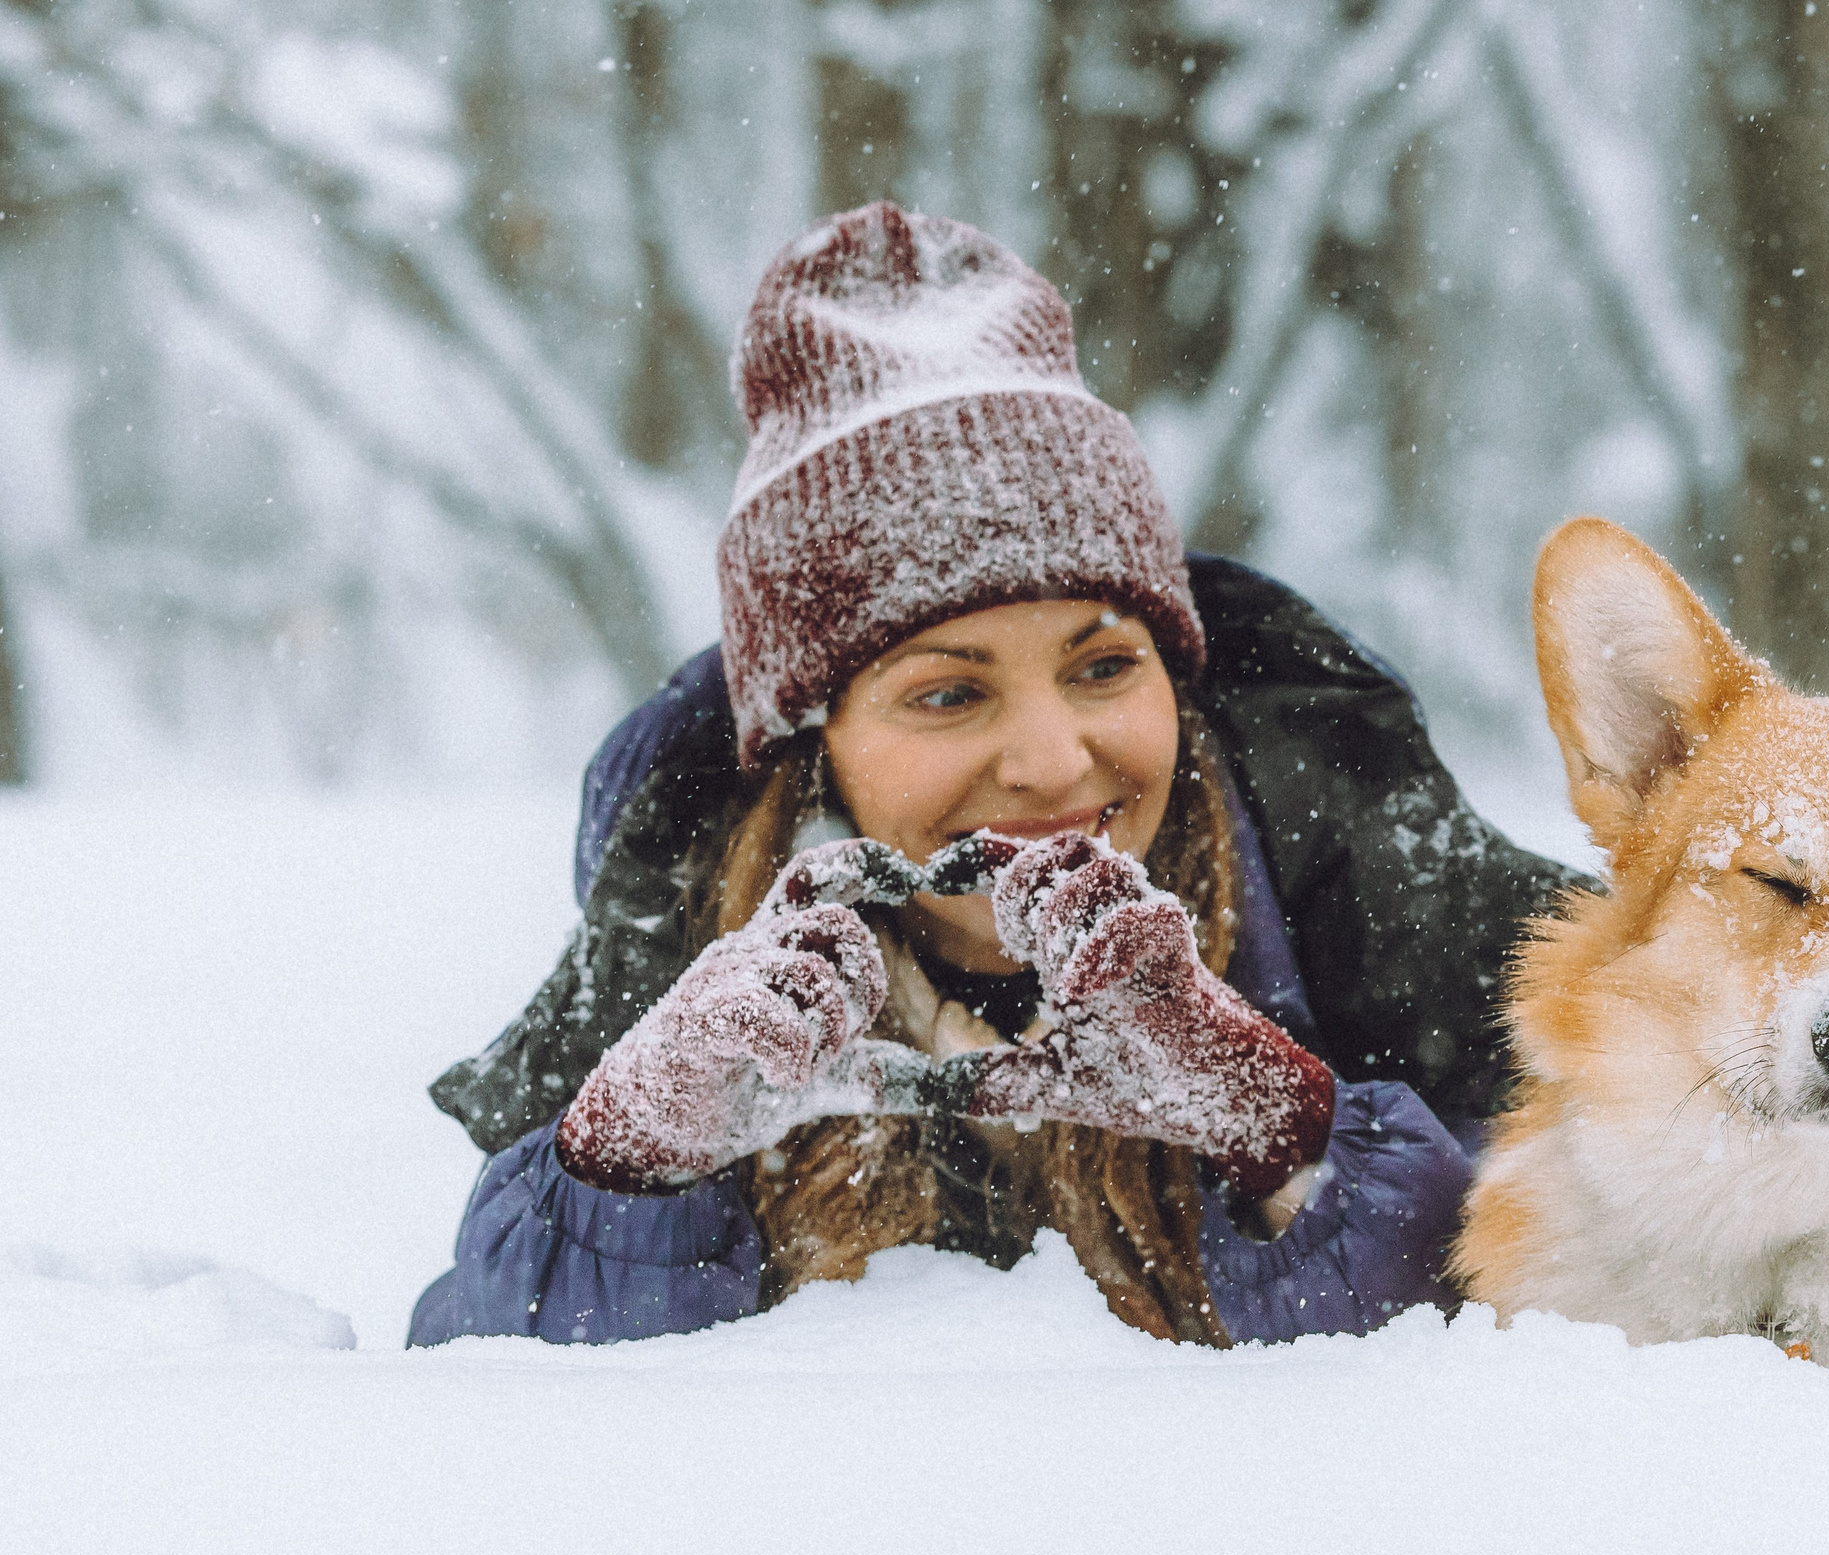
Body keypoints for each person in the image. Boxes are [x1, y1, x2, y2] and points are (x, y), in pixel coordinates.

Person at [408, 204, 1574, 1349]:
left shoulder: (1379, 901)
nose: (1055, 759)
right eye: (949, 693)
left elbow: (1575, 1316)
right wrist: (626, 1173)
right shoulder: (684, 934)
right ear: (815, 748)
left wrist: (1288, 1136)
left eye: (1105, 666)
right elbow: (487, 1413)